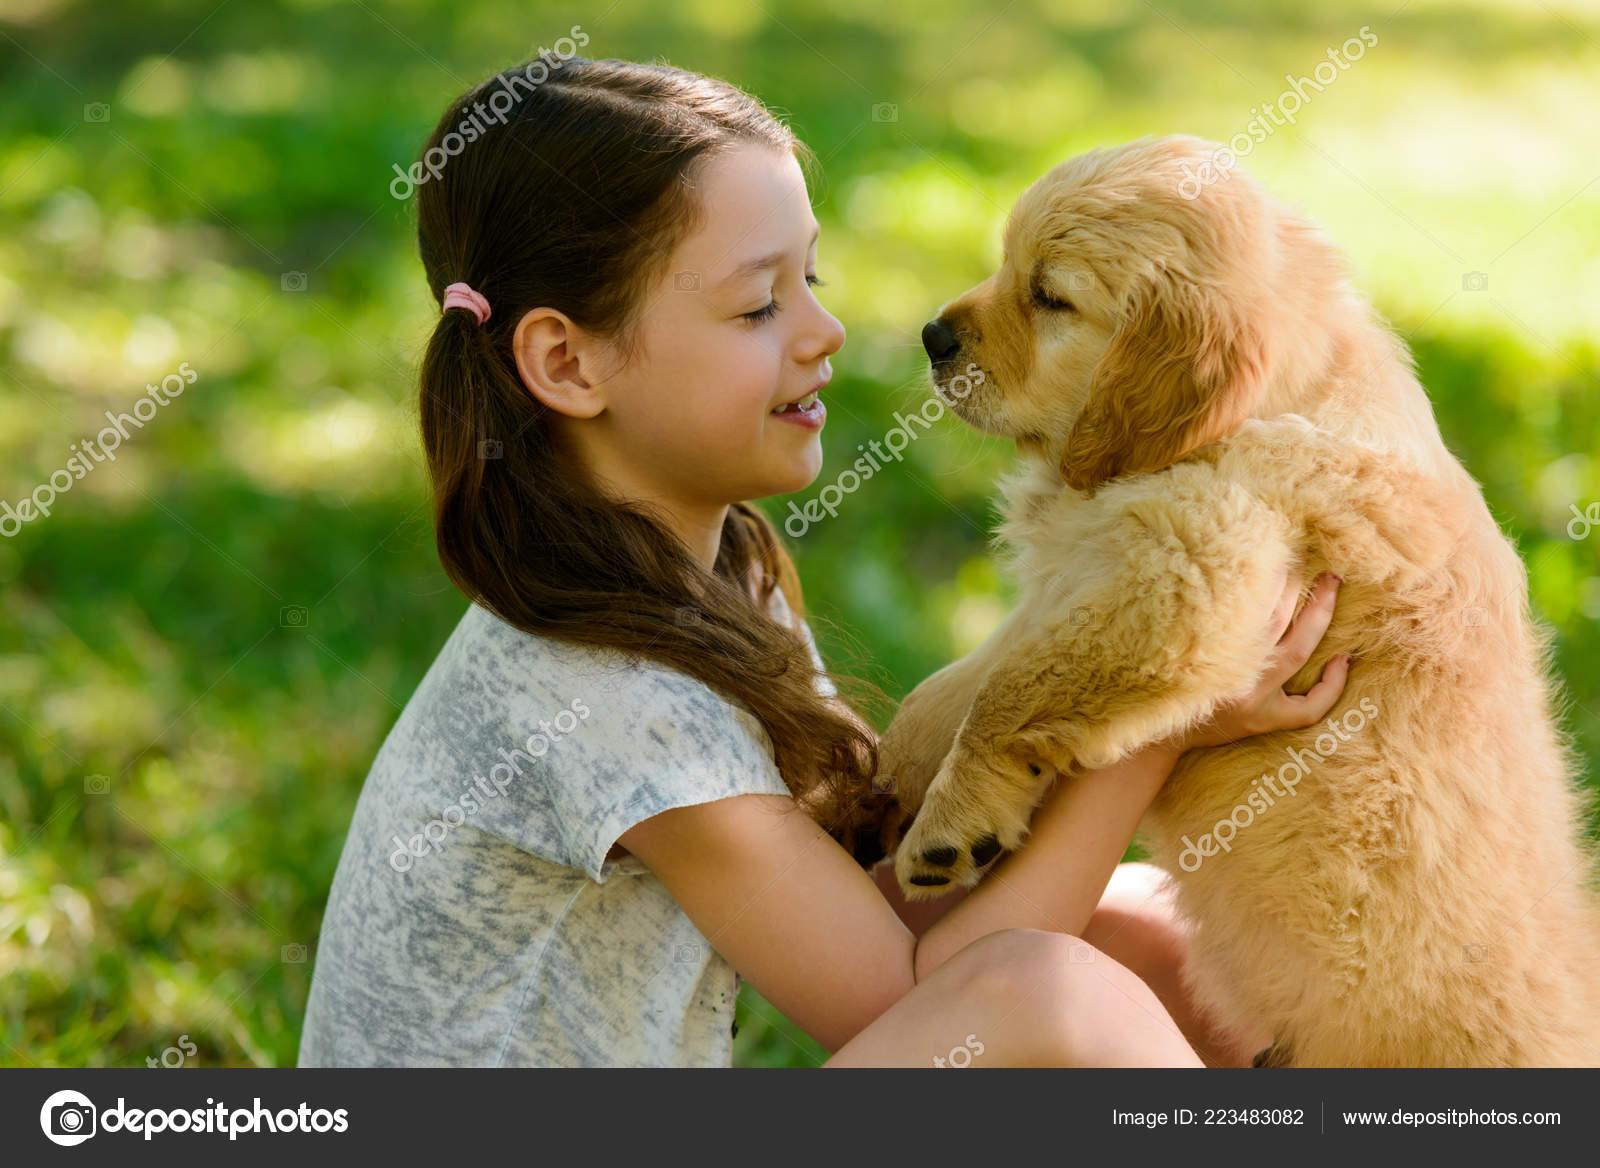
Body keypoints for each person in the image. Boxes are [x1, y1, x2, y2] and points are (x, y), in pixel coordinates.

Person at [297, 55, 1350, 1069]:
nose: (825, 329)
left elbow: (879, 901)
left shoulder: (719, 571)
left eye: (812, 278)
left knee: (1150, 927)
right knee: (1046, 992)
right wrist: (1155, 716)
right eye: (760, 304)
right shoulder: (609, 699)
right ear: (567, 362)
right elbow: (908, 995)